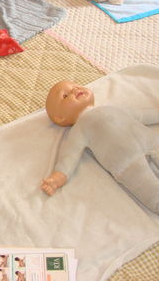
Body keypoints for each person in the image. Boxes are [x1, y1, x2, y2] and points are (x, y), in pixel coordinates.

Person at [40, 79, 159, 213]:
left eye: (76, 85)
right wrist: (58, 177)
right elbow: (69, 156)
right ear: (60, 118)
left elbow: (141, 114)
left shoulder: (111, 108)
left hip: (152, 142)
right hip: (126, 162)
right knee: (147, 187)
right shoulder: (80, 129)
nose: (74, 90)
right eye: (65, 95)